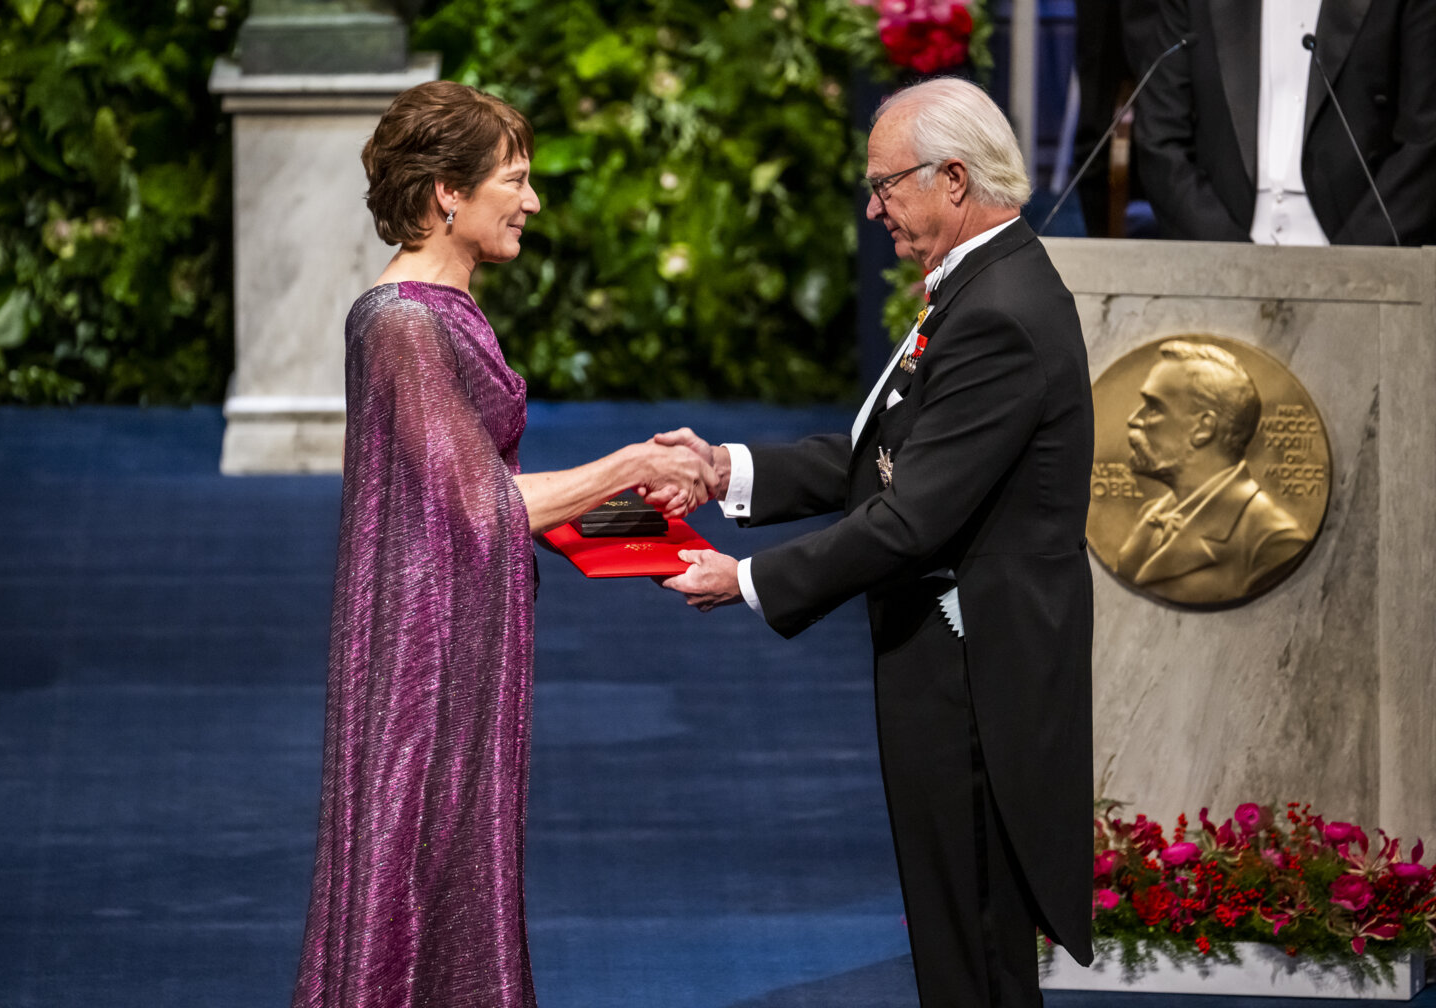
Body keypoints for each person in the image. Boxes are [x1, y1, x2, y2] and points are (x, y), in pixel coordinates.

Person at [655, 77, 1094, 1008]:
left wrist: (749, 581)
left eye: (887, 184)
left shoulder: (1000, 312)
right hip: (945, 662)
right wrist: (723, 470)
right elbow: (880, 456)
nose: (874, 207)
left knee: (975, 944)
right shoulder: (980, 282)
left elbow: (912, 518)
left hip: (978, 680)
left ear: (953, 179)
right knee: (952, 938)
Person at [290, 81, 715, 1008]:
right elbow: (482, 504)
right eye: (514, 181)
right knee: (422, 856)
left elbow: (483, 488)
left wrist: (651, 538)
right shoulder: (403, 321)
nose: (532, 201)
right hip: (426, 656)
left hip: (462, 630)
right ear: (448, 190)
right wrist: (635, 462)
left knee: (455, 857)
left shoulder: (442, 312)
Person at [1128, 0, 1436, 245]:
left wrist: (1351, 260)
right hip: (1221, 247)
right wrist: (1224, 253)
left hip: (1360, 252)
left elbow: (1424, 142)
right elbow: (1160, 136)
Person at [1115, 340, 1308, 605]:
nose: (1134, 419)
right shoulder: (1151, 517)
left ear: (1203, 428)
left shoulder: (1273, 542)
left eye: (1154, 407)